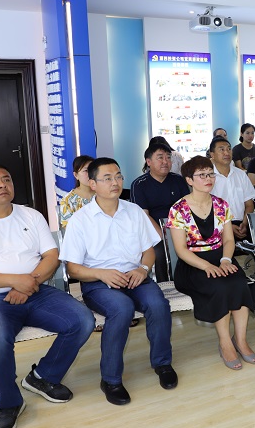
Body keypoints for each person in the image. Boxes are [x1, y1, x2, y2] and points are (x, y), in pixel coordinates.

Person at [0, 162, 94, 428]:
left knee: (82, 320)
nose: (2, 185)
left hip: (36, 290)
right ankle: (9, 403)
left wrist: (29, 283)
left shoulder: (31, 216)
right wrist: (13, 281)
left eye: (6, 179)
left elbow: (51, 256)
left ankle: (43, 377)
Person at [60, 157, 178, 406]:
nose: (115, 182)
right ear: (92, 183)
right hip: (98, 282)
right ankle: (111, 379)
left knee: (158, 304)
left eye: (118, 176)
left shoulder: (133, 211)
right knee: (122, 309)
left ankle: (162, 364)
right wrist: (101, 274)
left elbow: (149, 251)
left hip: (135, 276)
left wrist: (143, 269)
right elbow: (73, 268)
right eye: (107, 178)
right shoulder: (80, 220)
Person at [167, 156, 255, 370]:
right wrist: (207, 266)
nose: (208, 178)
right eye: (202, 175)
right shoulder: (178, 209)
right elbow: (181, 250)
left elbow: (229, 240)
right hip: (193, 264)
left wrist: (225, 259)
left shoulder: (220, 204)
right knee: (220, 287)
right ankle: (225, 343)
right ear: (189, 180)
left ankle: (241, 340)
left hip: (221, 258)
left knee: (239, 283)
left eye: (210, 174)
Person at [130, 142, 190, 282]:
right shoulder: (139, 184)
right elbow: (143, 215)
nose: (165, 161)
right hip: (152, 232)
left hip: (179, 227)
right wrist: (164, 235)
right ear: (148, 162)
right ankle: (165, 285)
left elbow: (186, 208)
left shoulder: (178, 180)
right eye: (160, 157)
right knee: (159, 253)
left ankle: (187, 281)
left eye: (168, 157)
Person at [209, 136, 255, 241]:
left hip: (242, 224)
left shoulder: (241, 174)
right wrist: (228, 227)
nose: (226, 153)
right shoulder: (208, 177)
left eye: (229, 149)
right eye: (221, 149)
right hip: (217, 225)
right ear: (212, 154)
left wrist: (245, 224)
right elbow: (207, 210)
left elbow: (249, 205)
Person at [58, 155, 94, 228]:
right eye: (86, 171)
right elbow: (69, 229)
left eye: (93, 170)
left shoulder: (103, 195)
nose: (90, 174)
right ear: (76, 175)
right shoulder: (67, 201)